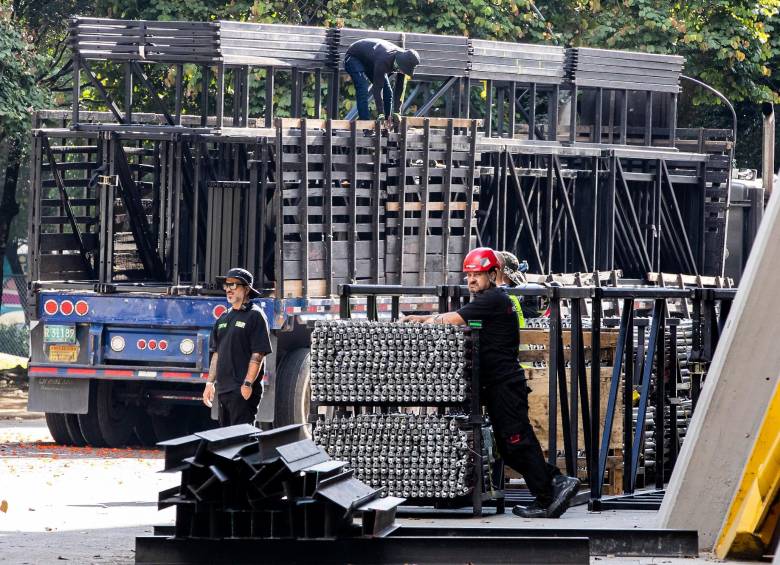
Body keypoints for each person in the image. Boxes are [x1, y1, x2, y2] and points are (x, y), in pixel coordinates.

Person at [403, 247, 580, 518]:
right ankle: (550, 490)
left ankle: (553, 488)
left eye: (478, 275)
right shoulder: (490, 300)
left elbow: (452, 319)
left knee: (516, 442)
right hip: (500, 385)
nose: (471, 280)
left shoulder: (493, 299)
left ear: (494, 273)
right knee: (512, 444)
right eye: (469, 276)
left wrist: (422, 320)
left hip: (505, 386)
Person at [202, 268, 272, 427]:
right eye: (226, 285)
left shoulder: (255, 315)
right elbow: (217, 353)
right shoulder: (223, 318)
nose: (228, 289)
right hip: (224, 389)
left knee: (243, 439)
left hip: (242, 390)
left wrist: (247, 384)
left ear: (246, 289)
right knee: (226, 442)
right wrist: (209, 383)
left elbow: (258, 354)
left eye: (233, 285)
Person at [345, 38, 420, 125]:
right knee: (362, 88)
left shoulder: (404, 61)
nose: (404, 72)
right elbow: (377, 88)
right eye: (404, 70)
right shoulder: (384, 60)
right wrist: (380, 113)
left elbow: (400, 88)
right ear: (399, 64)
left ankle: (387, 123)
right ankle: (365, 125)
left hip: (371, 60)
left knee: (388, 91)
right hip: (353, 57)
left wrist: (397, 112)